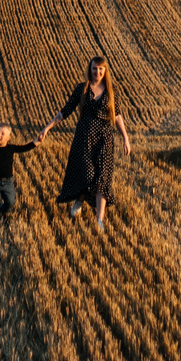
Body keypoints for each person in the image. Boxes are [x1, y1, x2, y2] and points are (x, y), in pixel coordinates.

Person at [38, 54, 131, 230]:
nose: (97, 72)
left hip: (104, 139)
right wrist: (47, 128)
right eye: (94, 68)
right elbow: (65, 111)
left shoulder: (111, 92)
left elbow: (117, 115)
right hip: (84, 137)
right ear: (90, 69)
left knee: (103, 178)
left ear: (105, 71)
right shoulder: (82, 89)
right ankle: (79, 199)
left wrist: (125, 137)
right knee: (87, 175)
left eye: (101, 69)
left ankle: (99, 220)